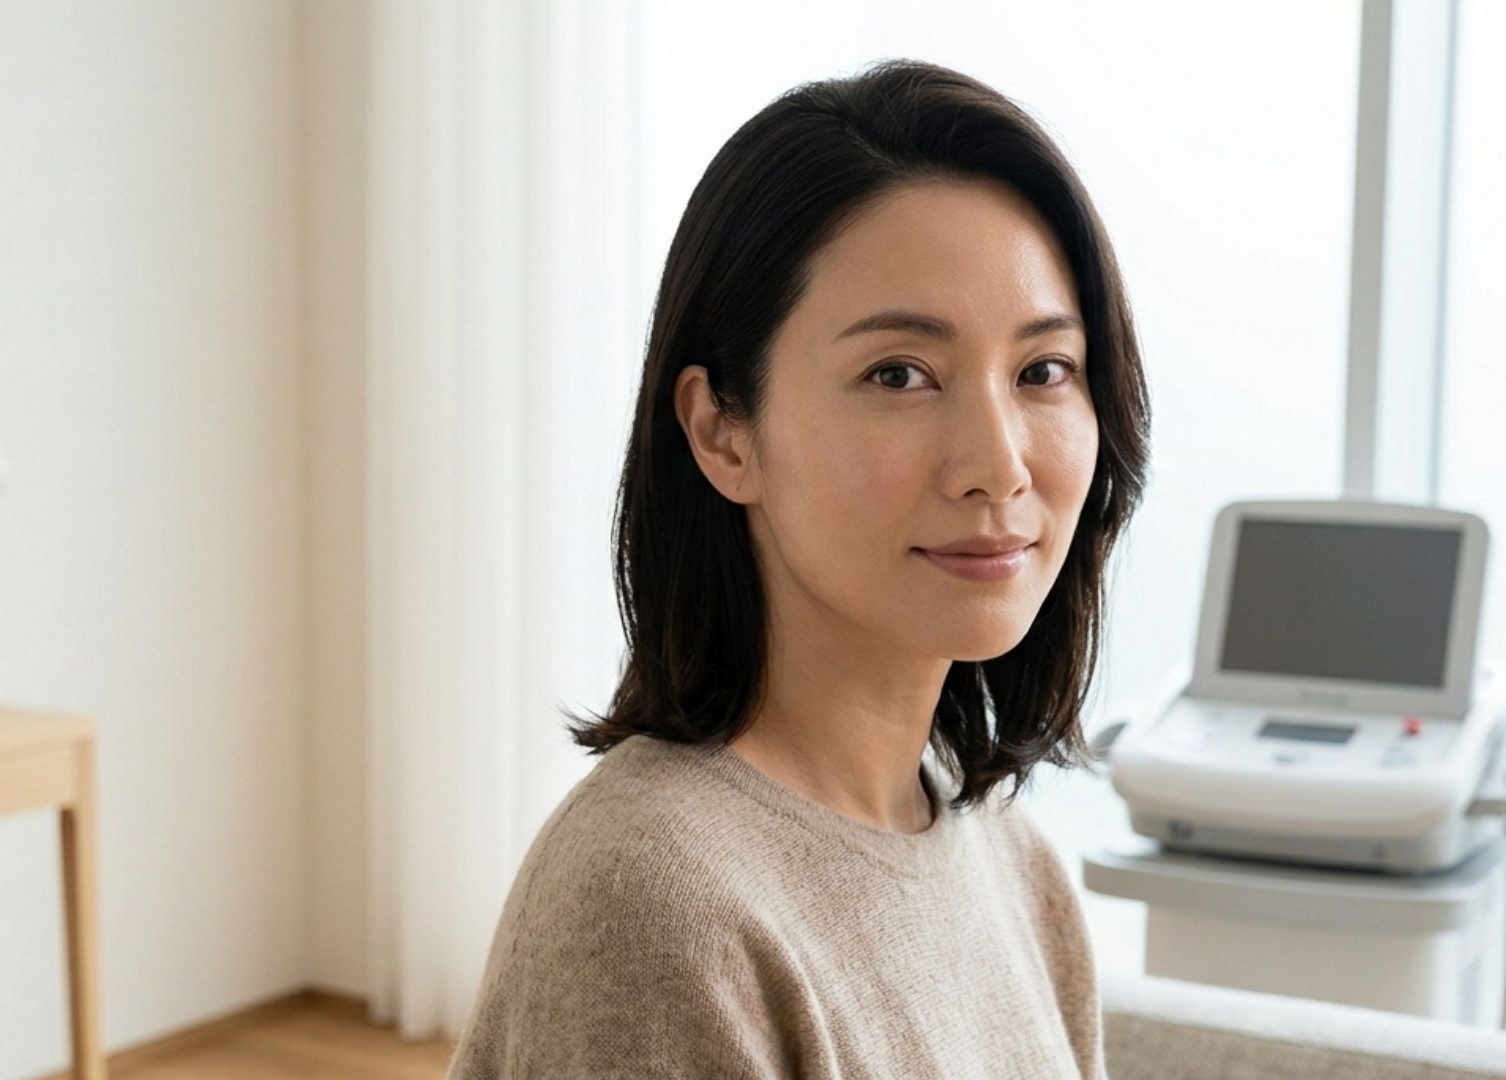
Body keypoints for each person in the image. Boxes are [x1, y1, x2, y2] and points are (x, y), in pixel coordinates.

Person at [446, 56, 1150, 1080]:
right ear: (723, 433)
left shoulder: (1011, 859)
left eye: (1043, 371)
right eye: (898, 374)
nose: (999, 464)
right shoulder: (657, 905)